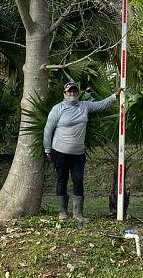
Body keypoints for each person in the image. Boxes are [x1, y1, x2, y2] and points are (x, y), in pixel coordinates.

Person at [43, 80, 118, 221]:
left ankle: (78, 213)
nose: (72, 94)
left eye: (75, 91)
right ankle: (63, 212)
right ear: (64, 93)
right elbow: (48, 129)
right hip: (59, 151)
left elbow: (101, 105)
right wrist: (47, 150)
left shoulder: (84, 106)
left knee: (78, 179)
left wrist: (115, 96)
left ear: (78, 93)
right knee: (62, 179)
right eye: (69, 91)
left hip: (78, 153)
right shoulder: (57, 108)